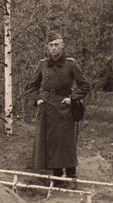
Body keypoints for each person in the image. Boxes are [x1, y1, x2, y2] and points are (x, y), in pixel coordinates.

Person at [23, 32, 91, 185]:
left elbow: (85, 85)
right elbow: (31, 86)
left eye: (56, 45)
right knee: (50, 142)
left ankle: (72, 176)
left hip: (64, 108)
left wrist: (72, 98)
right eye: (51, 45)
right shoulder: (42, 64)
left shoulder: (70, 64)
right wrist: (38, 99)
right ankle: (57, 177)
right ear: (48, 47)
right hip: (46, 108)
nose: (53, 48)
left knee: (66, 142)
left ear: (62, 46)